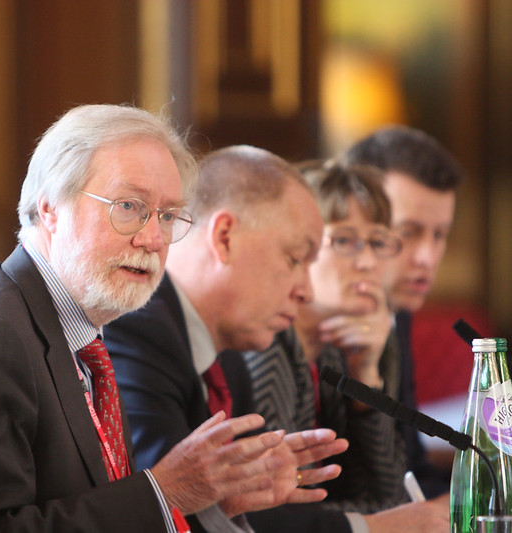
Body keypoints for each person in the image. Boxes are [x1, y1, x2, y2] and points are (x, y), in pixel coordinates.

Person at [0, 104, 347, 533]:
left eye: (167, 216)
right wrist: (163, 494)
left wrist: (211, 504)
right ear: (50, 209)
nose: (153, 239)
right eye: (129, 207)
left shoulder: (83, 337)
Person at [105, 147, 449, 532]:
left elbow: (236, 507)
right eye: (295, 259)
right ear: (224, 237)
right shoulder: (142, 331)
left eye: (378, 243)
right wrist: (377, 527)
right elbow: (166, 509)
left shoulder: (228, 350)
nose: (305, 290)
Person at [239, 161, 408, 513]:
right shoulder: (264, 343)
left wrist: (365, 376)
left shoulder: (362, 341)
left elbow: (387, 493)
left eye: (378, 242)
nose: (367, 262)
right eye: (344, 240)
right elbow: (276, 513)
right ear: (302, 247)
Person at [342, 125, 463, 497]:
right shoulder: (313, 323)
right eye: (409, 232)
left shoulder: (397, 311)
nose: (427, 257)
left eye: (439, 235)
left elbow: (412, 468)